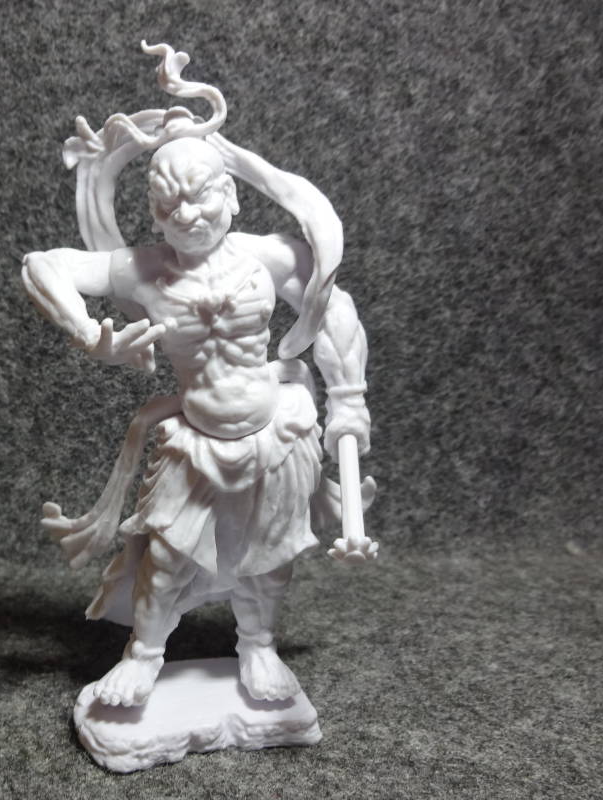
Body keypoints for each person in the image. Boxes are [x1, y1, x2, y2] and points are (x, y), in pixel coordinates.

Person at [22, 136, 371, 707]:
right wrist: (89, 334)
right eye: (168, 204)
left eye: (200, 197)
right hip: (196, 441)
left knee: (269, 558)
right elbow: (43, 265)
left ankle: (258, 647)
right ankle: (142, 657)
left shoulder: (267, 257)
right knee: (165, 560)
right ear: (154, 211)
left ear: (230, 194)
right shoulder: (142, 270)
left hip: (274, 433)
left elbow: (335, 309)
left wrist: (349, 398)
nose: (186, 216)